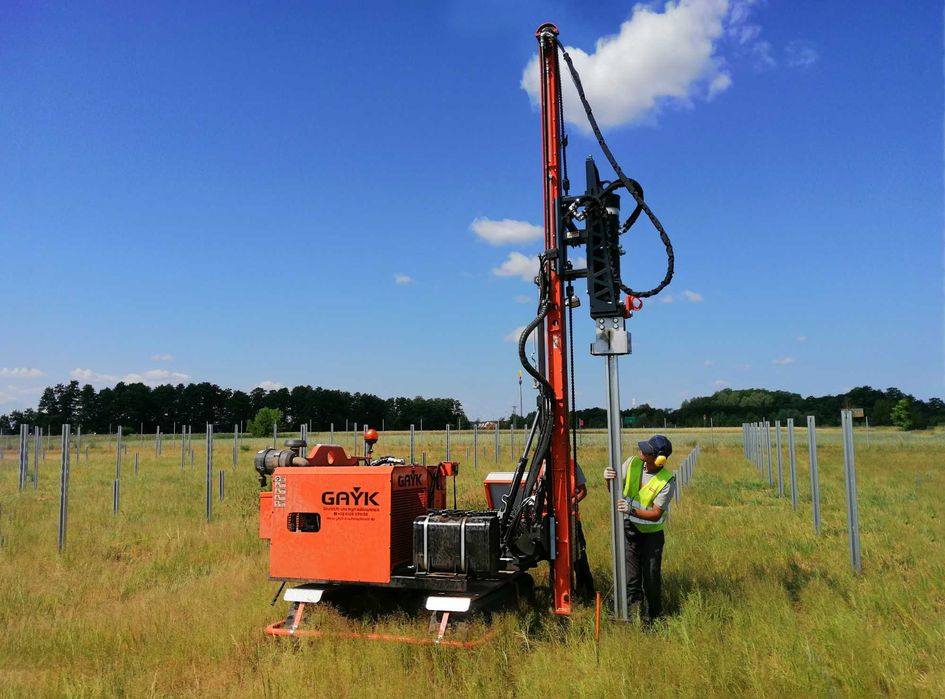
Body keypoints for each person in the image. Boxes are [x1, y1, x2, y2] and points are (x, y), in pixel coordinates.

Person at [603, 434, 676, 625]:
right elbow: (614, 492)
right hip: (630, 530)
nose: (642, 451)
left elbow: (656, 514)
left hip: (652, 536)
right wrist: (608, 480)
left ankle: (654, 617)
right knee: (631, 577)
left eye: (647, 450)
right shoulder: (632, 463)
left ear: (658, 458)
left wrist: (631, 510)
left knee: (651, 577)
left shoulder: (666, 481)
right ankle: (634, 616)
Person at [571, 463, 595, 601]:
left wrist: (570, 502)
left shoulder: (573, 466)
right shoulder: (541, 466)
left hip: (571, 520)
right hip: (549, 520)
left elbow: (583, 491)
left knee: (578, 557)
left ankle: (586, 593)